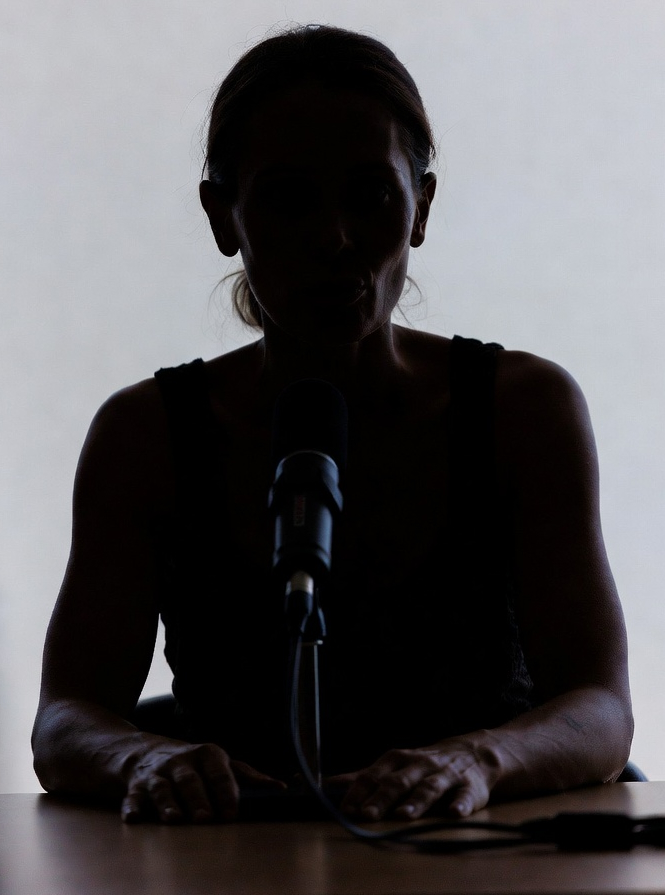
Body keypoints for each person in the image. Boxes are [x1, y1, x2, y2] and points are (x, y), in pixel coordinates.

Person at [32, 23, 633, 825]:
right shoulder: (144, 436)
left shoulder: (522, 410)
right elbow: (64, 718)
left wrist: (478, 760)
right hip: (228, 864)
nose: (333, 239)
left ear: (421, 207)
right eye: (288, 198)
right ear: (222, 216)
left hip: (476, 856)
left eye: (370, 195)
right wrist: (141, 756)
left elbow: (600, 706)